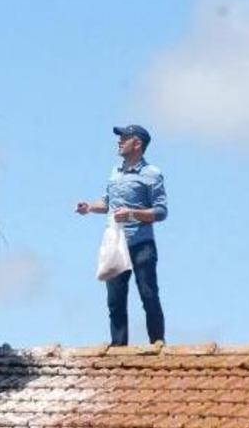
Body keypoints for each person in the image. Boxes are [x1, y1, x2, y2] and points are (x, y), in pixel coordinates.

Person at [76, 124, 168, 346]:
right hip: (116, 243)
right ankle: (118, 346)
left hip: (141, 243)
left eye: (124, 138)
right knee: (115, 299)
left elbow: (161, 211)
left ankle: (157, 342)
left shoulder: (152, 174)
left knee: (148, 293)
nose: (119, 141)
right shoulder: (115, 172)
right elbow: (107, 203)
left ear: (137, 143)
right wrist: (89, 207)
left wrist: (133, 214)